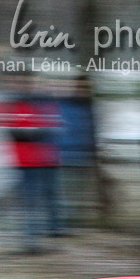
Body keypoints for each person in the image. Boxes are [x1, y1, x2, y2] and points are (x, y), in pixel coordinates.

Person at [0, 72, 62, 251]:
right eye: (15, 82)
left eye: (24, 82)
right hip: (15, 160)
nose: (19, 86)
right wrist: (29, 131)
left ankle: (29, 240)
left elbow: (52, 128)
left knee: (32, 201)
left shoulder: (39, 103)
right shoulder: (6, 104)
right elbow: (1, 128)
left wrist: (29, 131)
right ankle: (19, 239)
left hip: (37, 160)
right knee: (17, 201)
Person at [52, 75, 99, 227]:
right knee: (63, 191)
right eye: (80, 87)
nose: (82, 90)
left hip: (83, 155)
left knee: (76, 191)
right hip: (65, 154)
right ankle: (62, 224)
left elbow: (92, 132)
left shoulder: (90, 107)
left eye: (85, 88)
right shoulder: (64, 105)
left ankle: (71, 222)